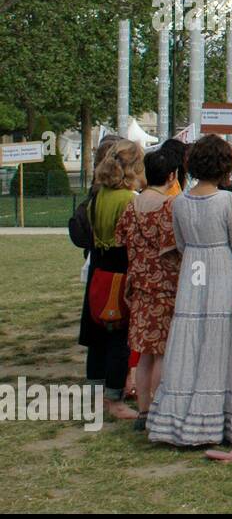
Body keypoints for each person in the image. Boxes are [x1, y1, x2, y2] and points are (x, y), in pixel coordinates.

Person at [148, 135, 232, 447]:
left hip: (193, 271)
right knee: (222, 340)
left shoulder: (181, 201)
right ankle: (223, 414)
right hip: (222, 269)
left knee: (191, 338)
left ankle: (183, 411)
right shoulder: (226, 201)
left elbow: (182, 244)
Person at [115, 148, 182, 431]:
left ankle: (143, 410)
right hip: (166, 285)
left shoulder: (132, 206)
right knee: (163, 352)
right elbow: (176, 246)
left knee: (143, 353)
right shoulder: (168, 207)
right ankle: (158, 408)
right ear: (171, 176)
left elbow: (120, 240)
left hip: (139, 284)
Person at [79, 139, 143, 421]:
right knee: (120, 337)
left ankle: (94, 390)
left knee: (97, 334)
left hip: (100, 268)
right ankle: (114, 398)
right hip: (121, 268)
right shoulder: (129, 199)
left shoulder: (99, 195)